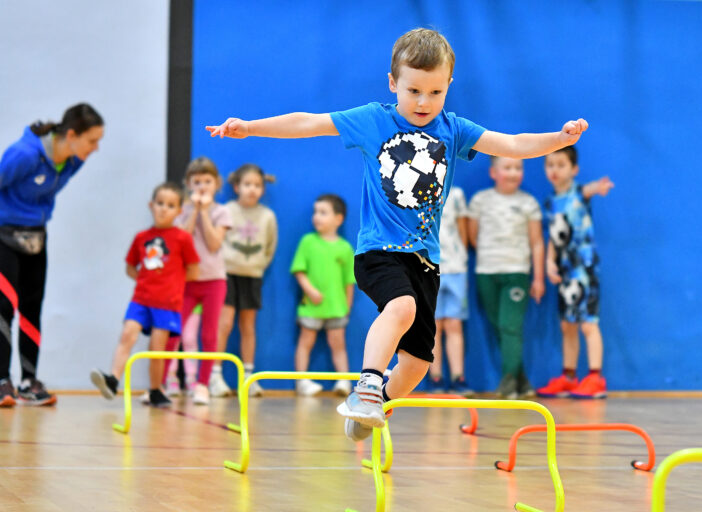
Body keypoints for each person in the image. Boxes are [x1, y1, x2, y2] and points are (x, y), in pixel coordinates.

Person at [206, 27, 588, 440]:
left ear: (448, 87)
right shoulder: (374, 120)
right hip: (378, 252)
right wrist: (250, 127)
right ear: (393, 83)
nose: (424, 103)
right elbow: (309, 122)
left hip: (426, 260)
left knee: (419, 363)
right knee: (402, 307)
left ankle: (374, 406)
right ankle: (367, 386)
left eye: (435, 92)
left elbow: (512, 144)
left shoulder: (454, 129)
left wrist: (558, 139)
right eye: (414, 91)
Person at [0, 103, 104, 407]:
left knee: (32, 307)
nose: (96, 148)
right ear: (71, 134)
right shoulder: (25, 155)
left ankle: (29, 382)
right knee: (5, 305)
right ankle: (3, 383)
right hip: (2, 235)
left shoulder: (74, 160)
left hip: (36, 236)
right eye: (92, 141)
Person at [90, 183, 200, 408]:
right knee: (127, 335)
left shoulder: (182, 239)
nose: (163, 209)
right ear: (151, 205)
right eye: (159, 203)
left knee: (156, 349)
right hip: (141, 300)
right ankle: (112, 380)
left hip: (167, 303)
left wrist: (172, 284)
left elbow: (194, 271)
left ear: (179, 211)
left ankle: (155, 389)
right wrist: (146, 280)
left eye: (170, 206)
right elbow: (130, 267)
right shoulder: (142, 237)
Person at [537, 146, 614, 399]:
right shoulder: (550, 202)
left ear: (574, 169)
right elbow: (553, 237)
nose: (555, 170)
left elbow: (588, 189)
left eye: (561, 165)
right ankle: (569, 377)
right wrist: (550, 262)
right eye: (550, 164)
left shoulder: (579, 194)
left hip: (585, 268)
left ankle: (595, 377)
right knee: (567, 324)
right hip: (565, 272)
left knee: (588, 324)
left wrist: (598, 187)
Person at [468, 156, 545, 399]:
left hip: (517, 272)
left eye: (518, 168)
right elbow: (472, 236)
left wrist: (539, 278)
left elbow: (537, 242)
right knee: (500, 327)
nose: (513, 173)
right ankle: (522, 382)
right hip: (487, 272)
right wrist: (490, 256)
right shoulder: (480, 200)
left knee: (510, 327)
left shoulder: (528, 203)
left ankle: (509, 384)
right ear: (494, 172)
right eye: (507, 168)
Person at [161, 157, 232, 405]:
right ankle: (163, 382)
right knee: (173, 331)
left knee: (209, 334)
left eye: (207, 181)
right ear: (188, 184)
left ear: (217, 184)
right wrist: (193, 212)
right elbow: (183, 241)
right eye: (197, 181)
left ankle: (202, 385)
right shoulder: (182, 211)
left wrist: (204, 211)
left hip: (214, 281)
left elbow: (214, 244)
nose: (202, 186)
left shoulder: (222, 212)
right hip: (187, 281)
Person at [209, 164, 277, 398]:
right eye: (247, 185)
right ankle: (214, 375)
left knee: (248, 326)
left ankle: (248, 377)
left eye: (257, 185)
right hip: (226, 275)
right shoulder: (227, 210)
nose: (252, 190)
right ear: (237, 186)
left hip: (253, 276)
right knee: (224, 324)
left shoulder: (267, 216)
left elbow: (270, 248)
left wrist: (256, 266)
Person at [290, 194, 355, 397]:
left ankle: (343, 380)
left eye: (323, 212)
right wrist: (310, 290)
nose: (317, 217)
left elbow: (349, 282)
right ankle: (301, 381)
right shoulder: (308, 242)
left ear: (338, 219)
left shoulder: (345, 248)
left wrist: (347, 307)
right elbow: (299, 270)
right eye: (315, 212)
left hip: (336, 308)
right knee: (305, 341)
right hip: (311, 306)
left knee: (338, 344)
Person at [429, 185, 473, 396]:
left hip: (456, 269)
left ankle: (458, 377)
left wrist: (462, 264)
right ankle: (435, 378)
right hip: (429, 268)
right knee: (433, 326)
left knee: (454, 324)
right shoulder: (416, 191)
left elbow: (462, 232)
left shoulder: (456, 194)